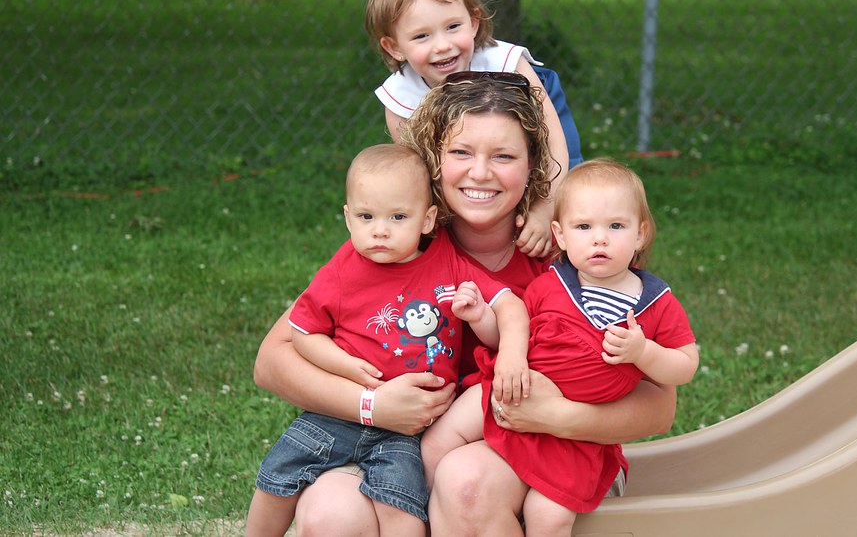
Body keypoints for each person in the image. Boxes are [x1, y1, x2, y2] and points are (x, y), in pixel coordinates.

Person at [252, 76, 678, 537]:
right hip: (386, 439)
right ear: (433, 162)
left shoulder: (572, 253)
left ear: (534, 164)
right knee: (330, 513)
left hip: (549, 446)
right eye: (460, 153)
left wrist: (561, 416)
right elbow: (273, 360)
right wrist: (372, 405)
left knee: (465, 484)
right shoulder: (396, 240)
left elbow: (659, 405)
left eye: (504, 156)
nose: (480, 172)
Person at [245, 143, 530, 537]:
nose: (380, 230)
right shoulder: (343, 269)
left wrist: (480, 316)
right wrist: (352, 375)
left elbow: (507, 306)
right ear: (348, 218)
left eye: (397, 217)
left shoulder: (447, 262)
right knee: (278, 477)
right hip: (337, 416)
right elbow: (302, 333)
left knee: (403, 507)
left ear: (428, 220)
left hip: (408, 432)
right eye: (367, 217)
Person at [422, 158, 700, 535]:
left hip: (578, 435)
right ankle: (419, 509)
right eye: (584, 227)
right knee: (439, 443)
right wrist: (480, 316)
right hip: (513, 387)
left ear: (641, 233)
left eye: (616, 226)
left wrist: (644, 353)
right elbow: (508, 333)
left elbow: (684, 366)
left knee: (547, 516)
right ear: (562, 235)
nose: (599, 238)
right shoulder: (552, 285)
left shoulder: (653, 303)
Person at [366, 0, 584, 258]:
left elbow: (552, 141)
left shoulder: (506, 61)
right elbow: (418, 175)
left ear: (474, 22)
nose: (442, 45)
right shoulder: (401, 98)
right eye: (422, 36)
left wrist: (546, 209)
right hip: (465, 155)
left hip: (534, 118)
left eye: (453, 26)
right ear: (394, 47)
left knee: (575, 191)